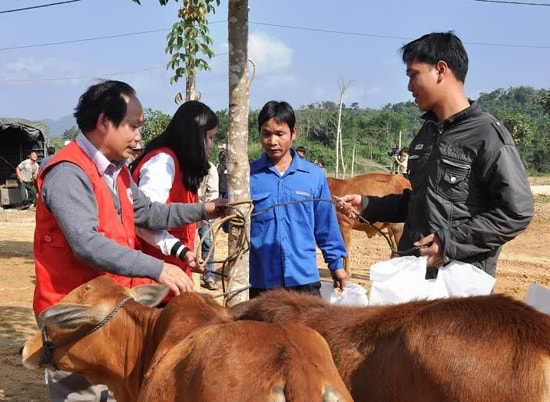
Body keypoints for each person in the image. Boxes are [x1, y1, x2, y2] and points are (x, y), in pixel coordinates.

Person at [33, 80, 226, 401]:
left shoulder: (117, 171)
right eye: (133, 126)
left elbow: (147, 213)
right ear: (104, 123)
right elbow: (87, 244)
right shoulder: (68, 173)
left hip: (112, 311)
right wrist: (158, 269)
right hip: (77, 320)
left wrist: (204, 209)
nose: (140, 135)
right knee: (84, 395)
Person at [338, 31, 534, 280]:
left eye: (413, 75)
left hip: (459, 284)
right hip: (416, 276)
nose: (409, 87)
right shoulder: (426, 134)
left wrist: (450, 243)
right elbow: (417, 202)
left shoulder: (487, 135)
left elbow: (517, 211)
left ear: (441, 70)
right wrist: (368, 205)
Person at [249, 100, 348, 299]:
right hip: (261, 282)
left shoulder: (313, 176)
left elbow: (325, 225)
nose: (272, 141)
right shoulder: (247, 176)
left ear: (293, 133)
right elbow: (230, 226)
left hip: (303, 279)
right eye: (266, 134)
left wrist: (336, 265)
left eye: (279, 134)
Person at [130, 100, 219, 288]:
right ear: (196, 138)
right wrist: (181, 251)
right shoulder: (162, 164)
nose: (211, 145)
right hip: (152, 283)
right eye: (210, 138)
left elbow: (180, 220)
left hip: (173, 277)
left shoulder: (182, 168)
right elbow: (144, 222)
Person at [198, 160, 219, 290]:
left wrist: (210, 213)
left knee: (207, 243)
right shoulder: (180, 164)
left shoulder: (210, 168)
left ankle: (208, 276)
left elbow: (213, 193)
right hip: (183, 209)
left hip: (202, 209)